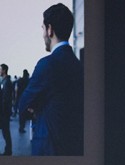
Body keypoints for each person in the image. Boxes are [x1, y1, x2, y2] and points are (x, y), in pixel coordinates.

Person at [18, 4, 84, 156]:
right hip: (73, 147)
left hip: (49, 148)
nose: (42, 34)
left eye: (42, 28)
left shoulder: (47, 64)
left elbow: (23, 105)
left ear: (50, 29)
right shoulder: (78, 66)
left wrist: (38, 107)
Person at [0, 65, 12, 155]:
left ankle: (8, 150)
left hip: (4, 112)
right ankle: (8, 150)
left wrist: (3, 111)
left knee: (6, 131)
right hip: (4, 111)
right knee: (5, 131)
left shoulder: (6, 82)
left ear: (4, 70)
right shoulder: (4, 81)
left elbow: (5, 98)